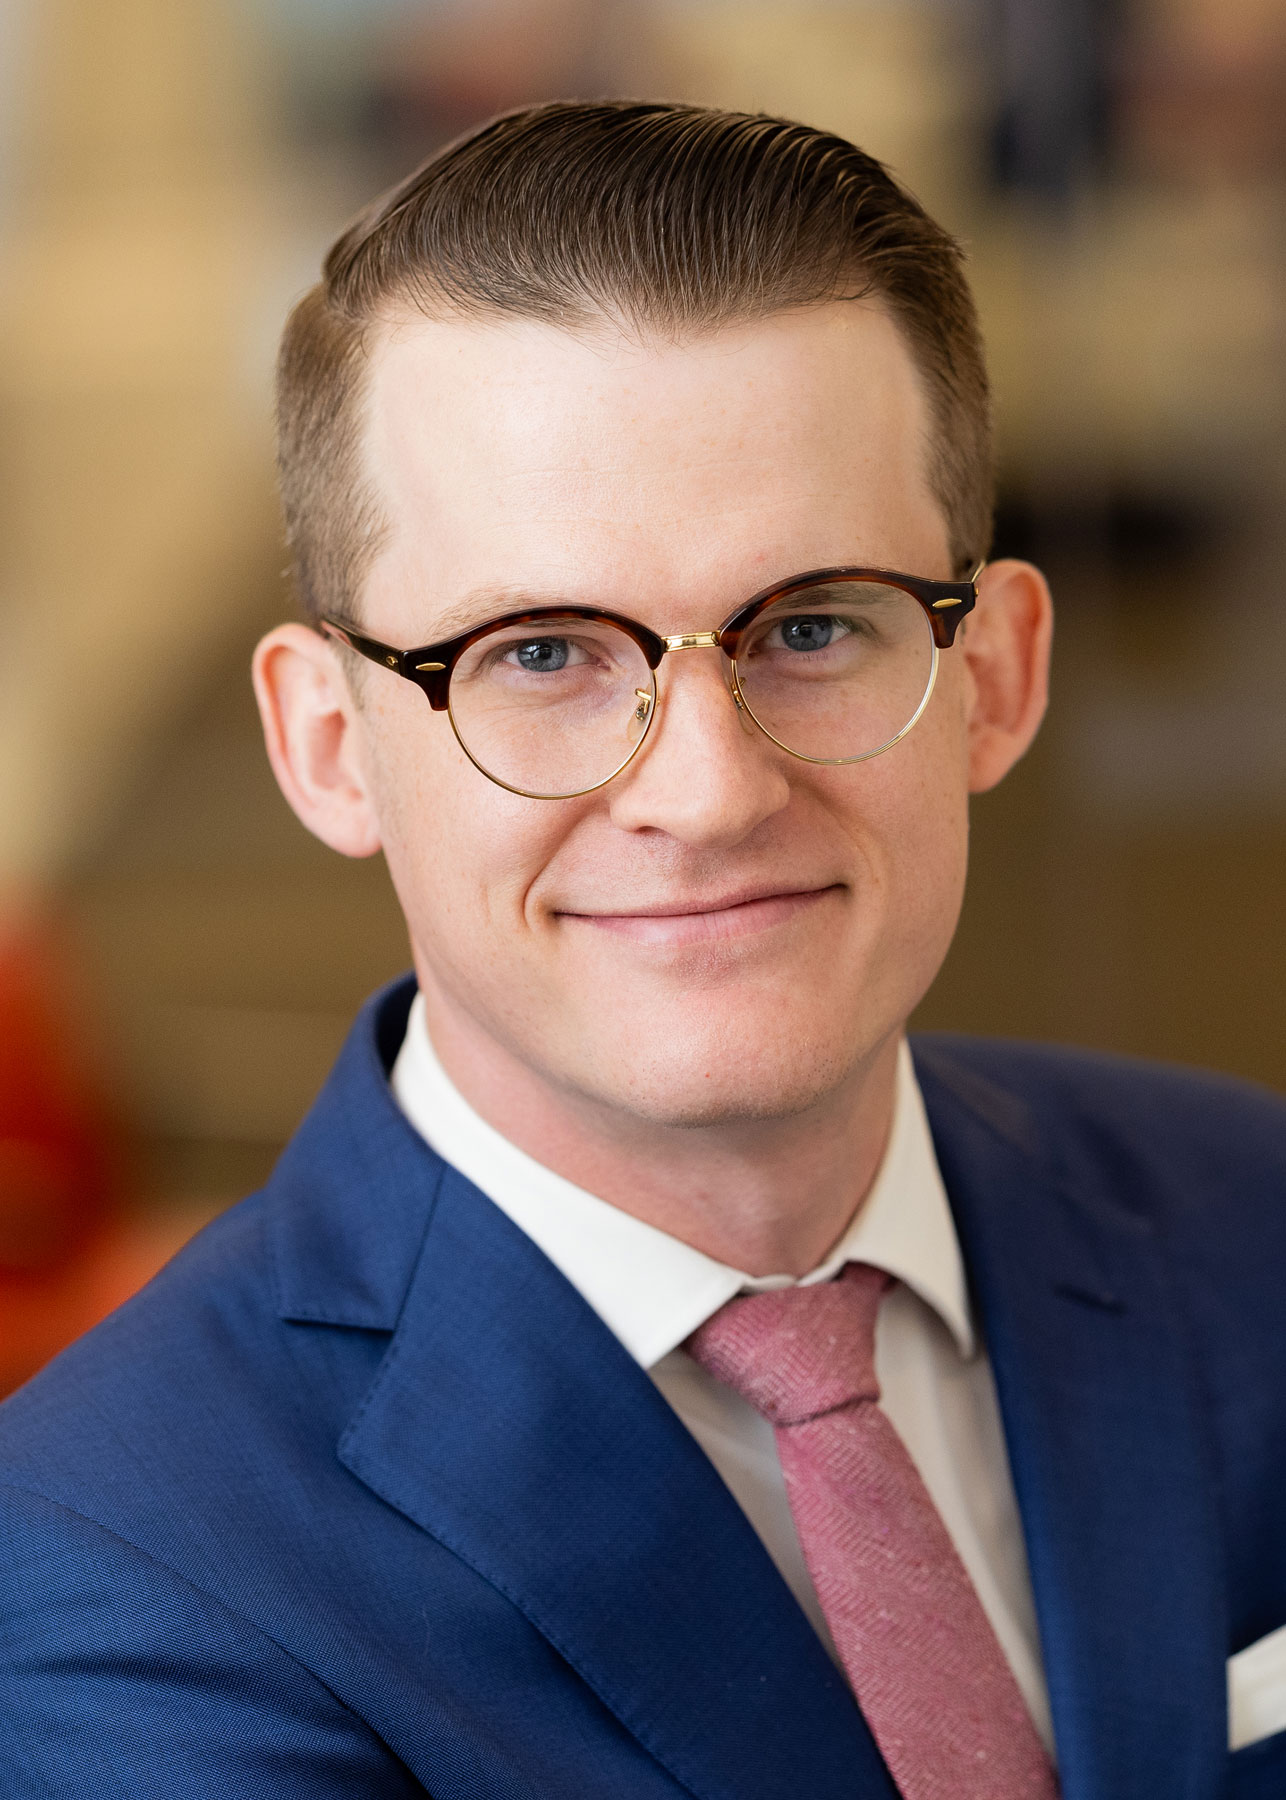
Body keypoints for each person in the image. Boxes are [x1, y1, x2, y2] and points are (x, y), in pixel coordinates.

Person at [1, 101, 1283, 1800]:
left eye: (810, 624)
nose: (705, 792)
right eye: (539, 653)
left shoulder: (1256, 1228)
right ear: (325, 743)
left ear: (992, 677)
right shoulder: (115, 1567)